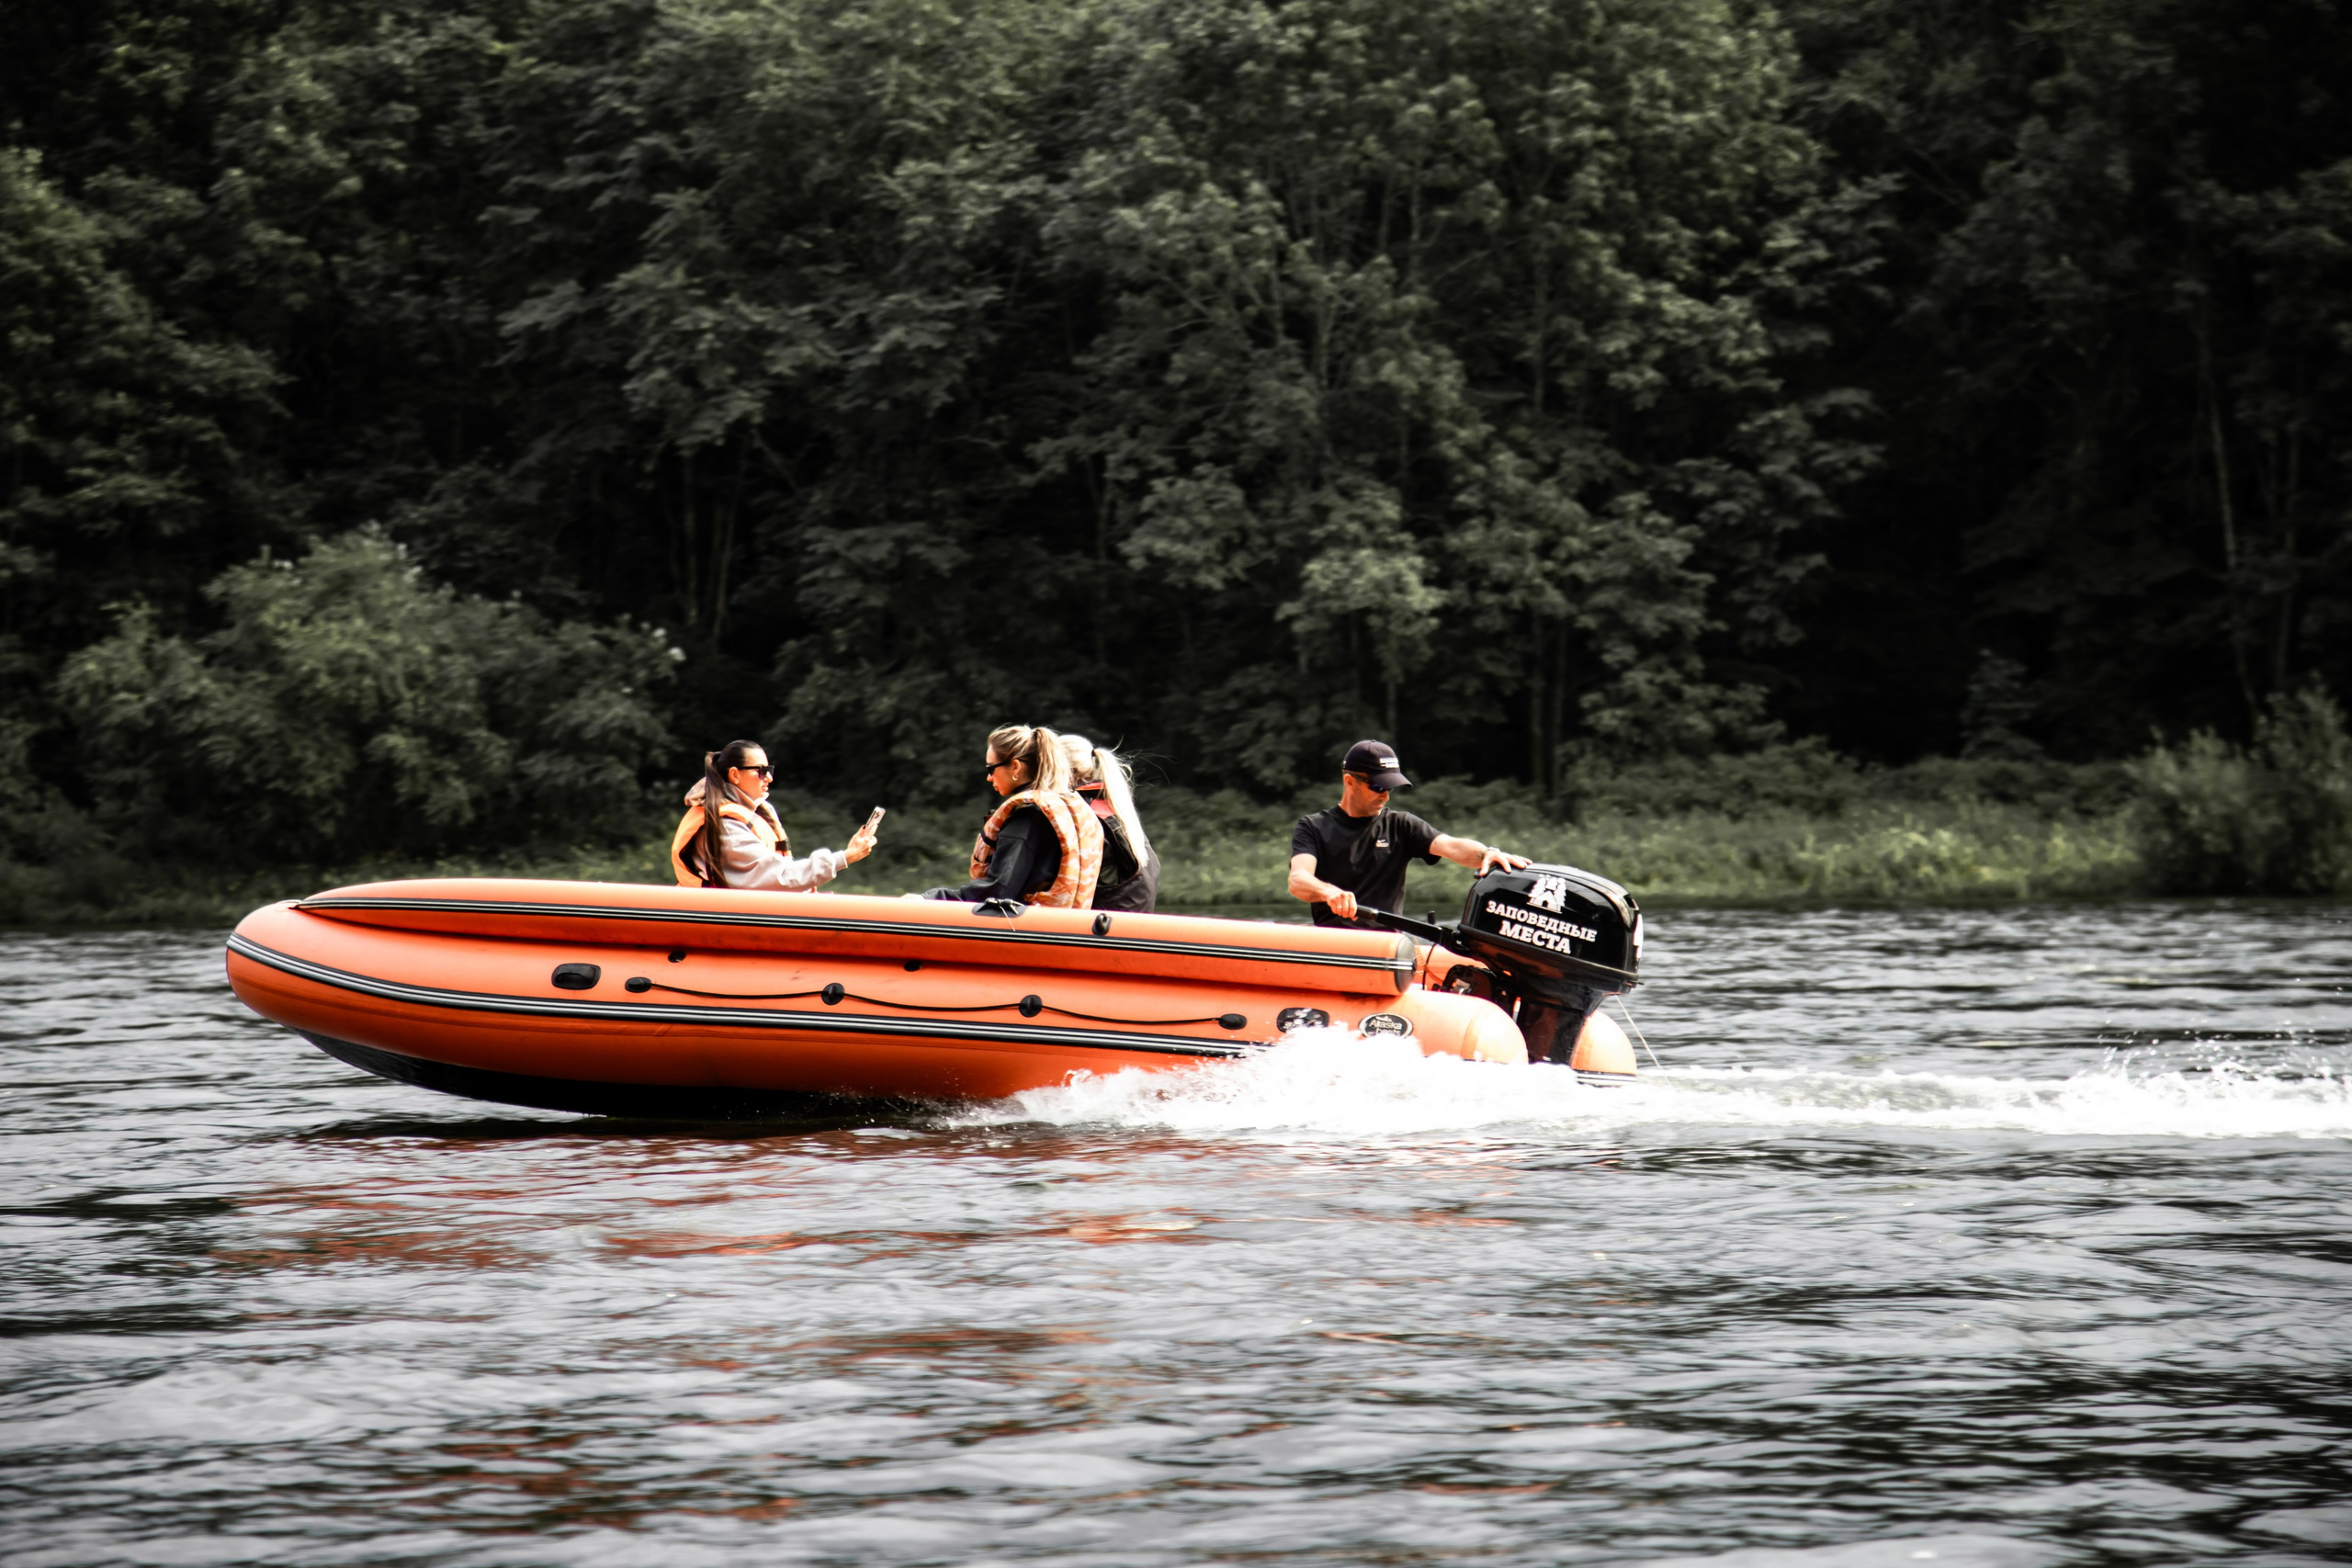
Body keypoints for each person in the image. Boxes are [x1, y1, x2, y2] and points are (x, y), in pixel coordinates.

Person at [1288, 739, 1531, 928]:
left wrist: (1486, 853)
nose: (1386, 796)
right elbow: (1298, 880)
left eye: (1390, 788)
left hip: (1388, 949)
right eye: (1378, 787)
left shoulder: (1401, 825)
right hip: (1332, 944)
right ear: (1350, 782)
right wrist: (1329, 892)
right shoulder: (1313, 827)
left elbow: (1452, 846)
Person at [917, 724, 1104, 907]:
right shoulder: (1070, 808)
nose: (988, 777)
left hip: (1026, 931)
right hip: (1065, 930)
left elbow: (997, 892)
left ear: (1015, 767)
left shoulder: (1028, 817)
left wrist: (930, 899)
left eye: (991, 768)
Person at [672, 739, 879, 891]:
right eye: (760, 771)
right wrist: (846, 857)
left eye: (769, 769)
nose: (769, 777)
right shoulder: (726, 825)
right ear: (735, 775)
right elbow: (780, 878)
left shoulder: (759, 810)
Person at [1062, 733, 1160, 912]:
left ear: (1062, 770)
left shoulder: (1084, 814)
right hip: (1133, 923)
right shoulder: (1114, 808)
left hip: (1108, 925)